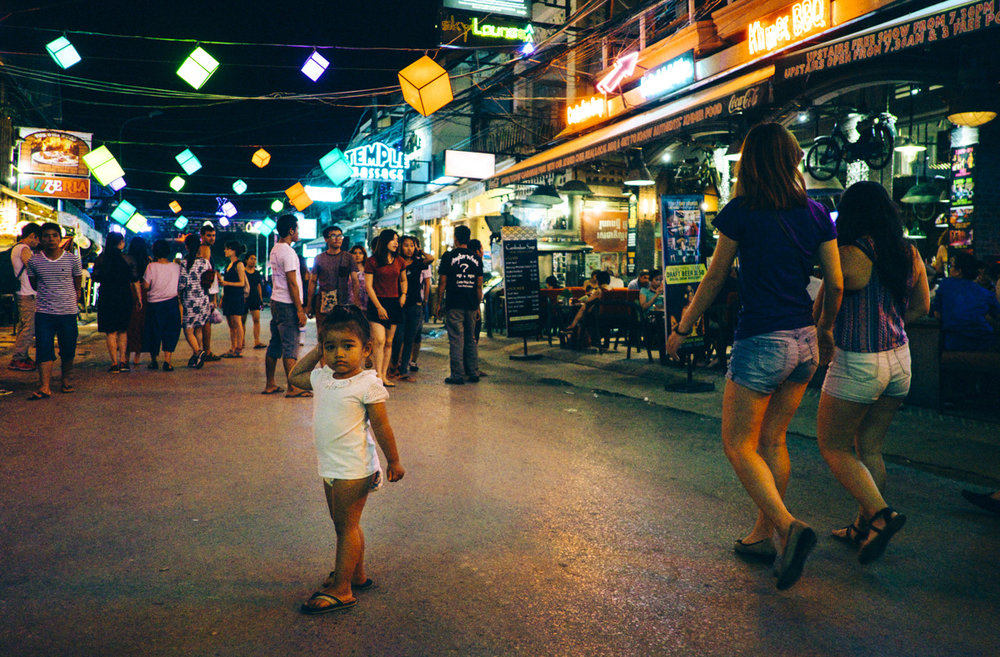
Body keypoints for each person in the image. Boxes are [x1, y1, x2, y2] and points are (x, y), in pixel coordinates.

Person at [665, 123, 844, 590]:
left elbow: (715, 277)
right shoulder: (817, 212)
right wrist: (824, 330)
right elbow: (837, 282)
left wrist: (683, 327)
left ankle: (788, 527)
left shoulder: (741, 211)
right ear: (791, 160)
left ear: (749, 163)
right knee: (774, 441)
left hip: (761, 342)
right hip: (805, 342)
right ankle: (764, 536)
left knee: (738, 443)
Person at [814, 182, 930, 564]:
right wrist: (891, 323)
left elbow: (839, 287)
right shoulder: (908, 251)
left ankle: (881, 515)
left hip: (859, 360)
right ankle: (863, 527)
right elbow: (921, 307)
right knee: (871, 448)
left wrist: (825, 328)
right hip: (899, 360)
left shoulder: (855, 250)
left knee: (833, 445)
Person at [288, 306, 404, 615]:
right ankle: (356, 573)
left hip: (354, 467)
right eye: (331, 346)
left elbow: (382, 426)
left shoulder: (367, 384)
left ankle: (342, 589)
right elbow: (295, 376)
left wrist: (394, 461)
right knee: (345, 524)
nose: (338, 354)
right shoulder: (324, 376)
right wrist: (317, 351)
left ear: (367, 349)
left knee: (346, 526)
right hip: (331, 466)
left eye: (348, 346)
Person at [26, 223, 83, 400]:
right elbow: (34, 284)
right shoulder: (34, 261)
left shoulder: (73, 260)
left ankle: (66, 379)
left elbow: (77, 283)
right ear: (40, 239)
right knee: (43, 348)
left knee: (68, 348)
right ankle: (45, 386)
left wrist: (72, 299)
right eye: (46, 236)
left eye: (54, 235)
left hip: (67, 312)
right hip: (44, 312)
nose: (50, 239)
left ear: (60, 238)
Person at [263, 214, 310, 397]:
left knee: (275, 343)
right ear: (291, 231)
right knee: (290, 346)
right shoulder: (289, 253)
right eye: (297, 229)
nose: (298, 232)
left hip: (276, 301)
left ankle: (270, 384)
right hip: (287, 304)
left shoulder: (275, 249)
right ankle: (293, 387)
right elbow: (292, 282)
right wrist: (300, 310)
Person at [437, 224, 483, 385]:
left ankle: (457, 375)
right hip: (471, 304)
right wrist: (478, 306)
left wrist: (439, 303)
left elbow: (442, 283)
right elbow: (479, 285)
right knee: (470, 339)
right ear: (468, 239)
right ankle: (473, 372)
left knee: (456, 339)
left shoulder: (448, 257)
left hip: (454, 303)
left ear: (455, 239)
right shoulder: (476, 259)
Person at [931, 251, 1000, 351]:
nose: (950, 269)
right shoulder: (985, 292)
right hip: (984, 343)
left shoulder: (946, 284)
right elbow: (998, 315)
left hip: (954, 344)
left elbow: (937, 314)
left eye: (952, 266)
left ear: (959, 271)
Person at [93, 232, 141, 373]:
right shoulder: (128, 259)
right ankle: (123, 362)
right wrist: (139, 298)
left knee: (111, 331)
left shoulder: (101, 259)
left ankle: (113, 363)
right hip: (124, 296)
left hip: (107, 296)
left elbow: (95, 277)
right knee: (123, 330)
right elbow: (134, 279)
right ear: (120, 242)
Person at [364, 229, 407, 386]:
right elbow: (368, 286)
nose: (397, 243)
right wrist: (379, 307)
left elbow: (403, 280)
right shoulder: (372, 261)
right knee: (379, 340)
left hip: (394, 302)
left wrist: (404, 295)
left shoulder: (399, 261)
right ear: (385, 241)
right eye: (393, 240)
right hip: (377, 303)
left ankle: (384, 375)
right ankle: (378, 375)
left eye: (397, 240)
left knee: (389, 341)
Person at [391, 235, 433, 382]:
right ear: (400, 246)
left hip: (415, 304)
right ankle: (393, 366)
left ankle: (403, 370)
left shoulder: (418, 262)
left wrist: (420, 251)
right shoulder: (396, 262)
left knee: (410, 338)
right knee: (398, 337)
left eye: (412, 245)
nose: (409, 248)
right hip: (399, 304)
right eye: (406, 245)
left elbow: (431, 258)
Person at [307, 225, 360, 339]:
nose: (338, 239)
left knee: (342, 335)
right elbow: (312, 282)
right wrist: (309, 305)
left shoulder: (348, 257)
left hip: (343, 302)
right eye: (333, 236)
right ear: (326, 239)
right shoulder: (319, 258)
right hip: (323, 302)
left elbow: (355, 281)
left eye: (340, 236)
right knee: (323, 335)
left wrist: (356, 302)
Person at [142, 239, 182, 371]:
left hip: (154, 304)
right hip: (172, 303)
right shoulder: (176, 267)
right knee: (170, 331)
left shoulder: (151, 267)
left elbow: (146, 286)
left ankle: (154, 361)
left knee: (153, 332)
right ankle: (168, 361)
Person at [8, 223, 41, 372]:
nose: (38, 243)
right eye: (38, 239)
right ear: (33, 236)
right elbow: (32, 268)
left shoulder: (17, 248)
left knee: (24, 326)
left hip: (23, 293)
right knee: (29, 327)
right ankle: (19, 358)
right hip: (27, 294)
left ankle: (22, 356)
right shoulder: (23, 249)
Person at [178, 233, 212, 369]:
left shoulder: (184, 264)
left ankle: (198, 352)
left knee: (188, 330)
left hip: (189, 300)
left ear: (186, 247)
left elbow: (181, 284)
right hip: (203, 300)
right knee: (198, 328)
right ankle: (196, 356)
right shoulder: (205, 262)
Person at [124, 237, 151, 369]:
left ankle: (126, 355)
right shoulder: (148, 261)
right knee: (141, 324)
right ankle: (137, 356)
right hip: (144, 293)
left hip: (128, 293)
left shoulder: (126, 260)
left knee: (128, 324)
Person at [219, 241, 249, 358]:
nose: (225, 251)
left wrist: (226, 283)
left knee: (237, 322)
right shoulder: (229, 265)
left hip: (236, 297)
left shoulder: (239, 264)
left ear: (233, 251)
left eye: (227, 249)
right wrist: (223, 297)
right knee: (231, 324)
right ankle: (232, 347)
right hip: (228, 297)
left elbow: (242, 283)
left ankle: (239, 348)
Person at [198, 223, 221, 362]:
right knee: (205, 323)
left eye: (213, 235)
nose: (212, 238)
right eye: (209, 235)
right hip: (205, 291)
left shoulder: (203, 248)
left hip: (203, 291)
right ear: (202, 236)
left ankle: (202, 350)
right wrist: (213, 296)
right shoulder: (205, 249)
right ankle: (206, 351)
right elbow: (207, 272)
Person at [242, 253, 265, 349]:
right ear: (246, 260)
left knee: (256, 319)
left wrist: (261, 299)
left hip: (255, 298)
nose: (253, 261)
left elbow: (258, 286)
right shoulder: (242, 272)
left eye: (255, 259)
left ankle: (257, 341)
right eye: (251, 258)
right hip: (244, 298)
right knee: (242, 321)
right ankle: (241, 341)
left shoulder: (256, 273)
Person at [349, 245, 369, 310]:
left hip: (366, 300)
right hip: (350, 301)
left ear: (364, 255)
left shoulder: (368, 270)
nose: (357, 255)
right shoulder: (347, 270)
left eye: (360, 253)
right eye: (355, 253)